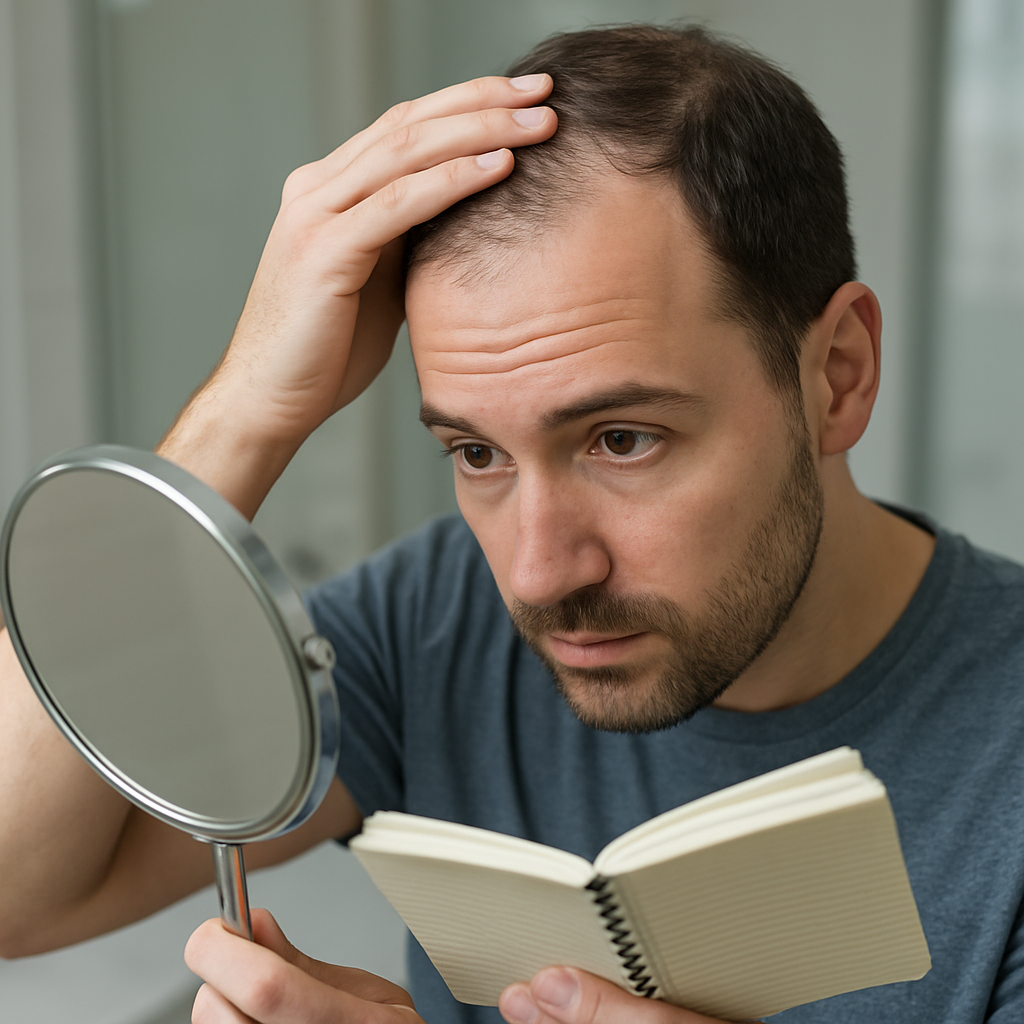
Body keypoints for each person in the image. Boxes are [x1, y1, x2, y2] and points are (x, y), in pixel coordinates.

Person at [2, 22, 1024, 1024]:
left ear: (835, 375)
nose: (535, 574)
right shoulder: (435, 617)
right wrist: (248, 410)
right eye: (475, 453)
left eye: (621, 439)